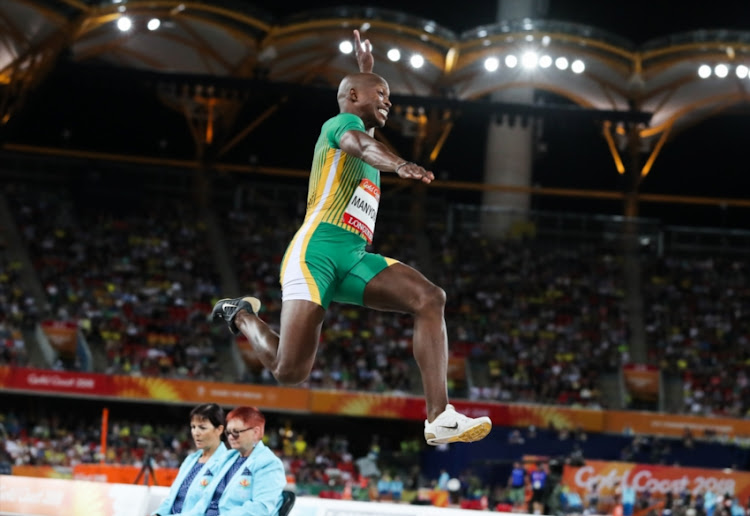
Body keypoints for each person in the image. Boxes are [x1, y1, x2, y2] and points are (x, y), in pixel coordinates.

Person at [212, 29, 491, 446]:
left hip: (355, 256)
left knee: (430, 298)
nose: (388, 101)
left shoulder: (360, 118)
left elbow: (366, 128)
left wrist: (367, 71)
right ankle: (240, 315)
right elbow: (361, 144)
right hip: (315, 253)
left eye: (389, 95)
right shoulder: (339, 125)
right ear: (354, 98)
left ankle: (439, 417)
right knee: (290, 371)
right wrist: (399, 165)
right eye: (380, 93)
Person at [181, 406, 286, 516]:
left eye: (236, 432)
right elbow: (204, 502)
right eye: (228, 433)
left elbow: (260, 509)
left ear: (255, 432)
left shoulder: (269, 464)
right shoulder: (226, 458)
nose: (231, 437)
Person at [153, 403, 229, 516]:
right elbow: (172, 498)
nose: (196, 433)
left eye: (202, 427)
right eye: (193, 427)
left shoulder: (227, 463)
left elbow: (212, 508)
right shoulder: (190, 460)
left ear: (219, 429)